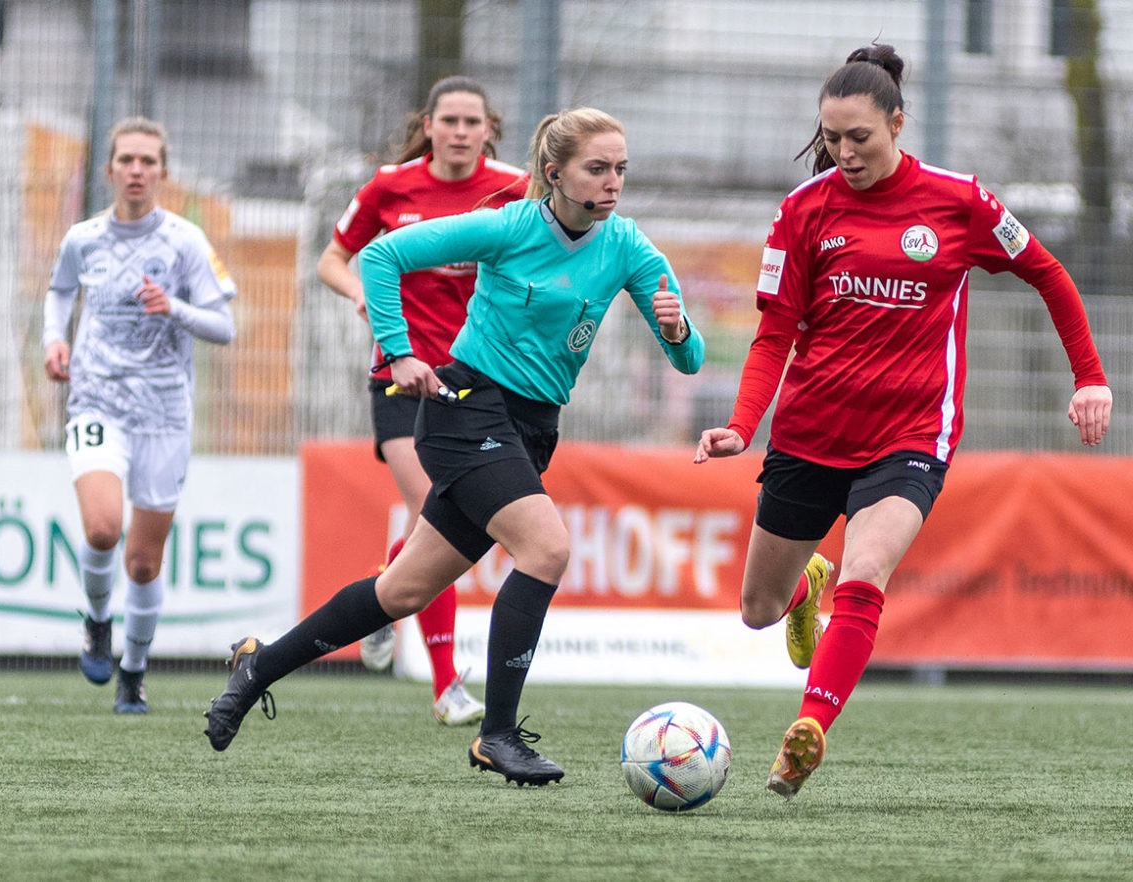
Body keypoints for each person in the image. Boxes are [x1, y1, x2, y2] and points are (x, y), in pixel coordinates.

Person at [205, 107, 704, 786]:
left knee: (402, 591)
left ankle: (257, 665)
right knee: (548, 548)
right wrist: (401, 353)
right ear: (553, 174)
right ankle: (496, 736)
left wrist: (676, 331)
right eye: (597, 168)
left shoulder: (629, 246)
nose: (613, 181)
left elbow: (689, 362)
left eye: (620, 168)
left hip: (530, 430)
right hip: (465, 409)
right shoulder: (506, 227)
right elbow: (381, 256)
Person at [693, 44, 1112, 800]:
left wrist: (1090, 378)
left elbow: (1047, 272)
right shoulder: (802, 212)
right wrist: (740, 424)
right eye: (831, 137)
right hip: (810, 434)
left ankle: (811, 727)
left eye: (861, 138)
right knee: (757, 609)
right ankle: (803, 584)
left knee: (868, 568)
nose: (844, 153)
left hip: (911, 435)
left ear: (897, 124)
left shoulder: (960, 202)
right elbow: (773, 335)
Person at [317, 76, 527, 726]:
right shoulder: (389, 186)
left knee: (440, 515)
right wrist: (358, 292)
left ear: (489, 128)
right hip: (398, 374)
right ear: (429, 126)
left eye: (473, 122)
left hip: (475, 380)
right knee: (429, 499)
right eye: (450, 121)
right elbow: (332, 258)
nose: (461, 132)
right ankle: (446, 687)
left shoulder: (517, 188)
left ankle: (386, 590)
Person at [41, 117, 237, 714]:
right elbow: (59, 291)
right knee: (103, 527)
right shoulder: (83, 237)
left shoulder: (185, 242)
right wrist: (54, 340)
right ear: (109, 169)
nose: (136, 170)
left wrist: (173, 306)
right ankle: (98, 620)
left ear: (163, 172)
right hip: (98, 398)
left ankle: (133, 669)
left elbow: (224, 326)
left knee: (144, 560)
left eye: (148, 161)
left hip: (164, 414)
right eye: (126, 159)